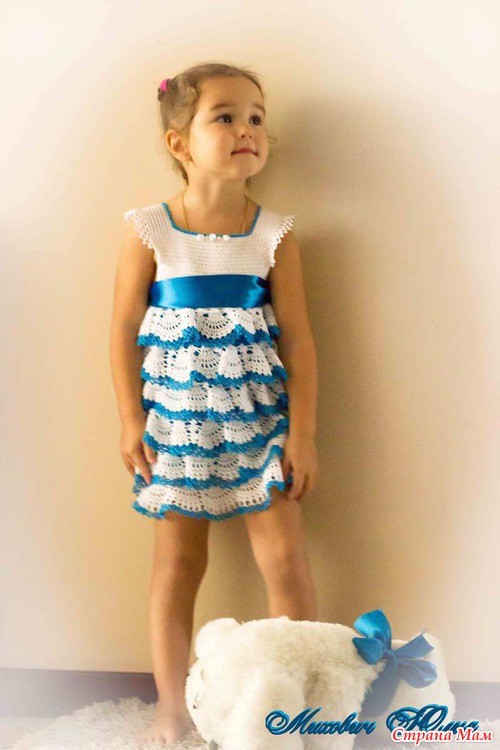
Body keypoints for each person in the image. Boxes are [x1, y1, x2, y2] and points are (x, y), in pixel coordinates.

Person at [109, 61, 319, 747]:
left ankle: (295, 709)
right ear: (180, 143)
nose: (246, 129)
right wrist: (131, 421)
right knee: (177, 566)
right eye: (225, 117)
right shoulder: (151, 230)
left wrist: (303, 435)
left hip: (260, 426)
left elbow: (300, 340)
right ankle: (172, 708)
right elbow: (121, 330)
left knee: (286, 562)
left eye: (256, 118)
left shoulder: (274, 235)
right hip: (176, 430)